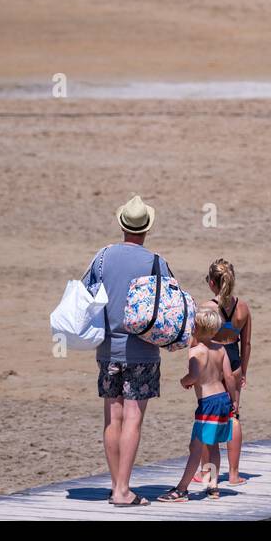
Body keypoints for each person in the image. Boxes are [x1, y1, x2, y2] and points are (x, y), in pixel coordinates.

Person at [81, 196, 172, 507]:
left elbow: (86, 292)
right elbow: (169, 306)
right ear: (146, 229)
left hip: (107, 349)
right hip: (142, 351)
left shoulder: (103, 257)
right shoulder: (155, 262)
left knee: (112, 417)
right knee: (133, 416)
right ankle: (123, 489)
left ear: (122, 225)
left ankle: (115, 485)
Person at [157, 310, 237, 503]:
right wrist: (233, 401)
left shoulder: (196, 351)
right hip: (222, 399)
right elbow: (229, 377)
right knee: (214, 445)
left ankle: (182, 489)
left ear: (196, 327)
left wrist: (184, 381)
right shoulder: (220, 349)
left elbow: (193, 376)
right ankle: (213, 485)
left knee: (196, 447)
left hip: (208, 403)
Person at [190, 259, 252, 487]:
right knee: (233, 416)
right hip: (233, 362)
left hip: (212, 366)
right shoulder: (242, 307)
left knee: (210, 419)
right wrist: (242, 371)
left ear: (213, 283)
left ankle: (207, 474)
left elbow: (195, 341)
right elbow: (246, 344)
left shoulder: (207, 308)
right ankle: (234, 475)